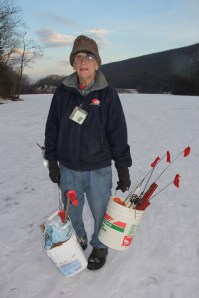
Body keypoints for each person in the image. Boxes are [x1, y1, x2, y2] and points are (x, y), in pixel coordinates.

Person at [44, 35, 132, 270]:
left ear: (97, 64)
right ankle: (79, 238)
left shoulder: (108, 94)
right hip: (69, 168)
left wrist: (122, 168)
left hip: (99, 168)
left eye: (89, 57)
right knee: (71, 212)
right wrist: (52, 161)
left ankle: (100, 246)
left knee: (101, 212)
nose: (84, 61)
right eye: (79, 57)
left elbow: (118, 132)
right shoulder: (62, 92)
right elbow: (52, 127)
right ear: (73, 63)